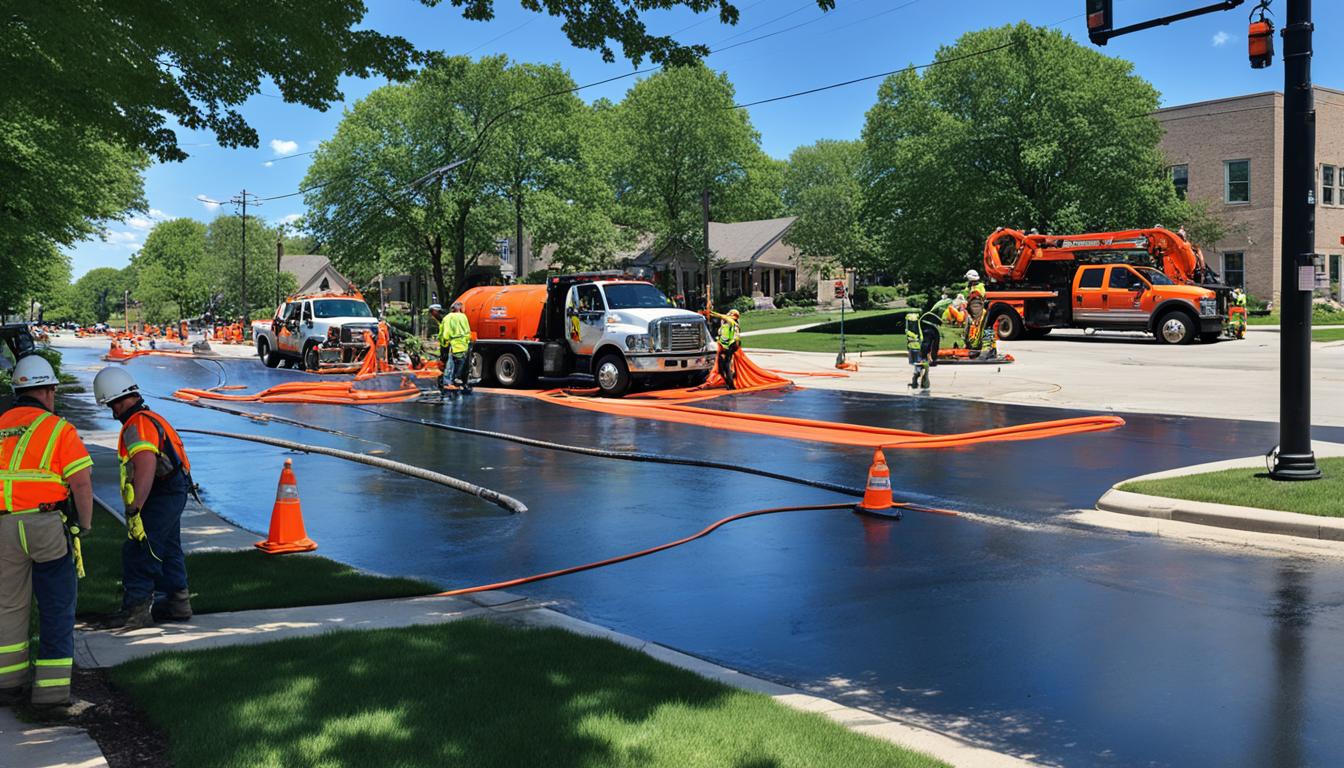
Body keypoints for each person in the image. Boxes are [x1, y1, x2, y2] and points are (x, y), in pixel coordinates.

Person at [0, 355, 94, 710]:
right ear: (49, 391)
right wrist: (82, 526)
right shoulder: (58, 429)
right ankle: (51, 693)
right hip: (45, 526)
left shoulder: (0, 425)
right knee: (56, 605)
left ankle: (7, 684)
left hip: (4, 526)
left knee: (8, 605)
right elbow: (81, 484)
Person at [93, 367, 194, 629]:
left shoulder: (136, 425)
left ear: (120, 399)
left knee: (140, 549)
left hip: (162, 492)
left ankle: (135, 611)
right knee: (169, 548)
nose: (113, 412)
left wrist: (135, 506)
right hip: (173, 489)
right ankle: (177, 602)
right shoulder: (151, 418)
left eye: (112, 405)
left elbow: (145, 465)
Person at [436, 301, 473, 395]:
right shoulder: (463, 317)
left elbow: (444, 333)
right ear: (460, 308)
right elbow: (468, 331)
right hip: (463, 345)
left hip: (452, 345)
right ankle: (459, 382)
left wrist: (444, 343)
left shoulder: (447, 318)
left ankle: (448, 383)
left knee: (450, 365)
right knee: (461, 365)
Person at [715, 309, 741, 389]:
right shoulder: (725, 323)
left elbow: (734, 337)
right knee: (721, 367)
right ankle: (729, 381)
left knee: (726, 364)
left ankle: (731, 384)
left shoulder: (732, 323)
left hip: (729, 346)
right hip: (724, 345)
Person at [904, 310, 930, 391]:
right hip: (917, 347)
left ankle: (917, 379)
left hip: (916, 347)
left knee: (919, 364)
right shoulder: (919, 326)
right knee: (921, 364)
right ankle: (918, 380)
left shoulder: (910, 330)